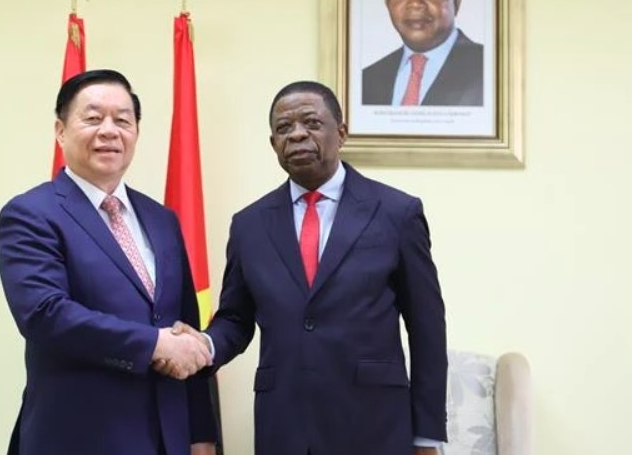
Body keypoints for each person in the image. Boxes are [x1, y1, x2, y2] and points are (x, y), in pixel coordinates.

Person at [166, 81, 447, 454]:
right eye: (284, 128)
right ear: (273, 144)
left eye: (311, 123)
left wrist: (426, 436)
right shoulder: (249, 225)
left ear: (341, 133)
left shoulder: (396, 213)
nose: (297, 134)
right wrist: (204, 342)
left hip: (374, 425)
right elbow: (235, 319)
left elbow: (426, 327)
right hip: (284, 428)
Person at [0, 69, 217, 455]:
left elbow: (185, 328)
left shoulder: (162, 219)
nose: (109, 131)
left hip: (168, 439)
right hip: (78, 436)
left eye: (123, 120)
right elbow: (45, 315)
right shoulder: (31, 214)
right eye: (93, 118)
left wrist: (201, 434)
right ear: (60, 131)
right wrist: (153, 343)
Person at [362, 0, 484, 106]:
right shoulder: (368, 79)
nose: (415, 4)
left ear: (456, 2)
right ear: (388, 4)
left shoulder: (488, 68)